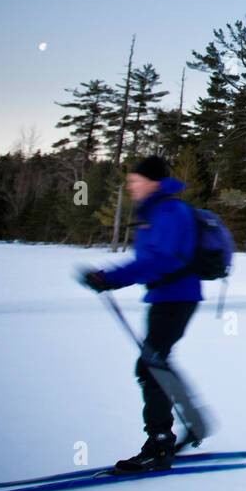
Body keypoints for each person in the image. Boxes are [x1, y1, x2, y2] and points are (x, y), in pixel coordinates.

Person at [80, 155, 202, 473]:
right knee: (155, 362)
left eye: (135, 180)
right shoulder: (154, 211)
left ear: (154, 182)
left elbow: (162, 259)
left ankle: (160, 446)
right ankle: (191, 422)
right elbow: (152, 260)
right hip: (164, 296)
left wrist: (111, 277)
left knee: (150, 365)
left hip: (178, 296)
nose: (130, 185)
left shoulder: (170, 211)